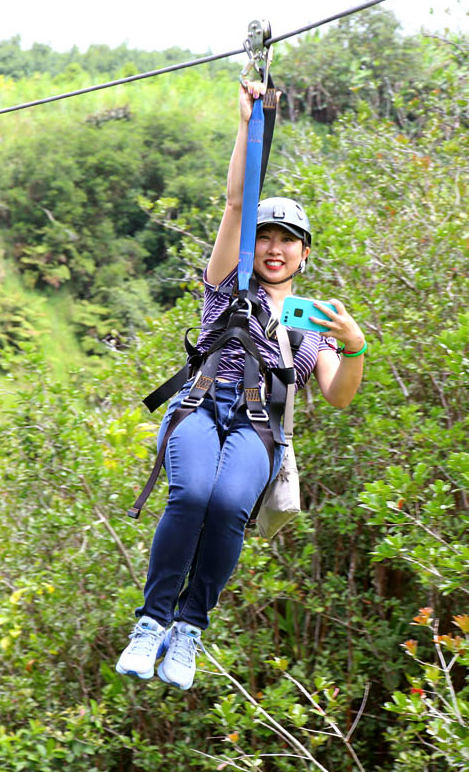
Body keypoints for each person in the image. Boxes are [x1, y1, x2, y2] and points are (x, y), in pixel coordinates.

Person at [115, 80, 367, 690]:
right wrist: (248, 124)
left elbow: (338, 395)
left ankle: (188, 629)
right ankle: (151, 622)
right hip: (202, 405)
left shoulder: (314, 326)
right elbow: (235, 203)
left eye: (287, 241)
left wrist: (355, 344)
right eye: (265, 237)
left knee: (229, 505)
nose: (274, 249)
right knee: (192, 495)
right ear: (251, 246)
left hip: (261, 426)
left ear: (304, 255)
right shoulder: (228, 285)